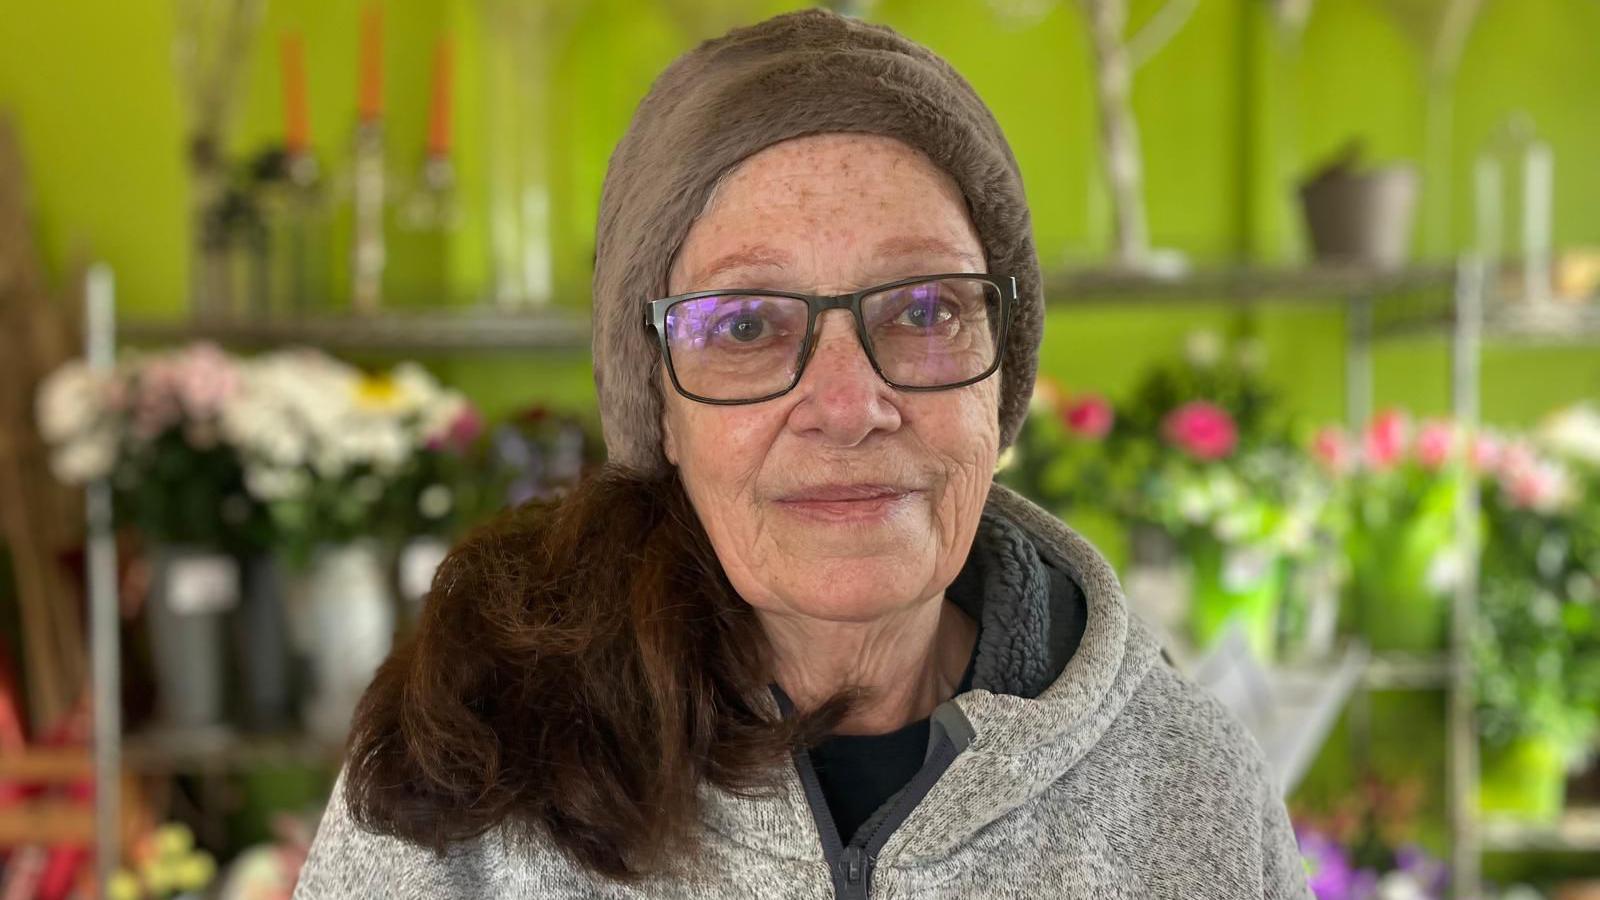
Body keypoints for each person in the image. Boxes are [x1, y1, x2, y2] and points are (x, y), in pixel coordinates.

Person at [294, 8, 1311, 898]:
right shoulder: (470, 770)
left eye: (923, 308)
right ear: (653, 402)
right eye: (745, 326)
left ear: (1004, 373)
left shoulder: (1187, 783)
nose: (847, 405)